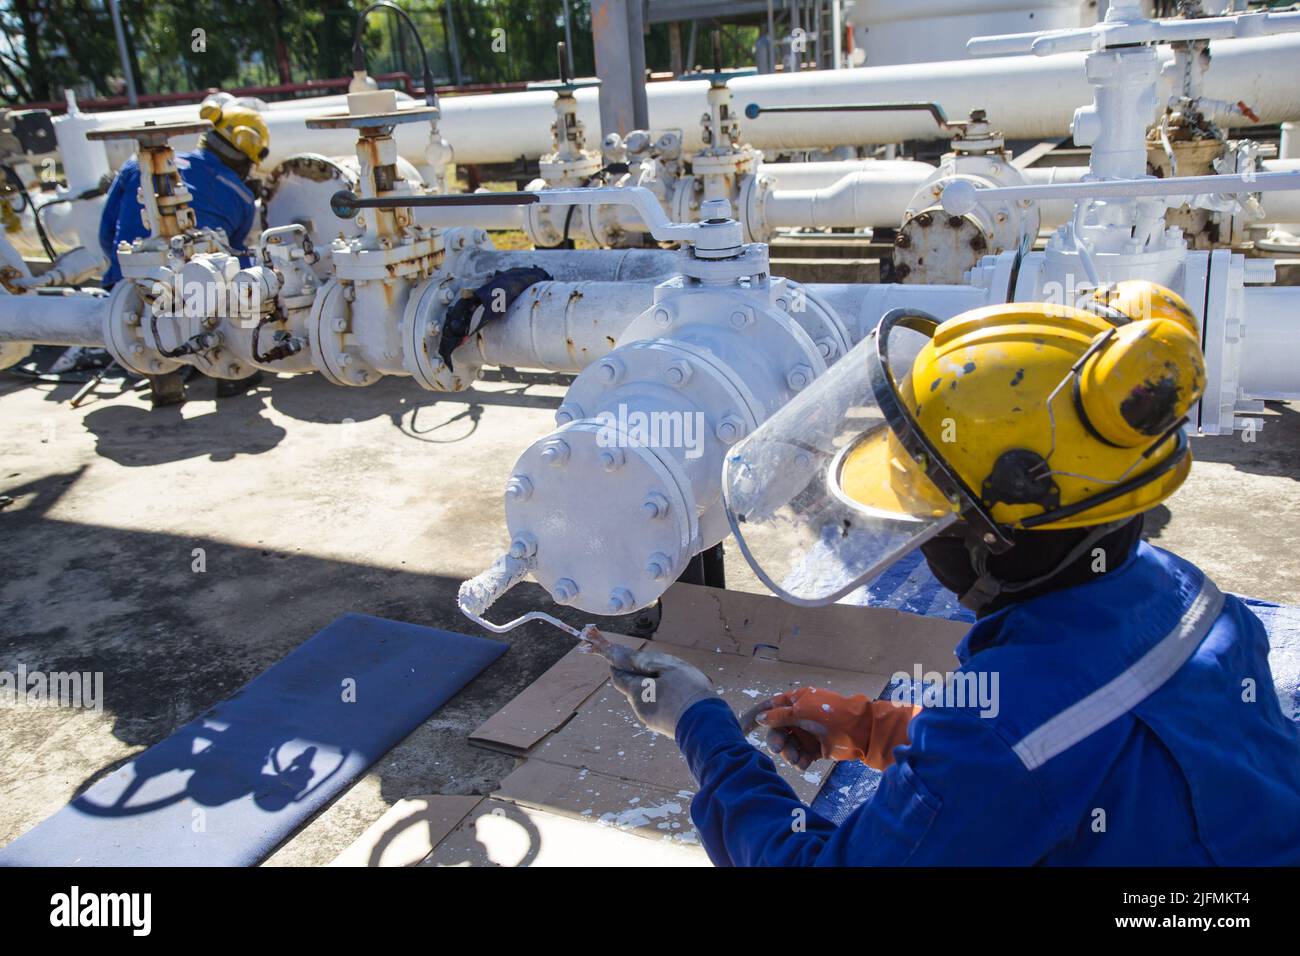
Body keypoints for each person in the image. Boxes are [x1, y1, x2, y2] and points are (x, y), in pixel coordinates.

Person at [609, 281, 1300, 865]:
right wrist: (879, 729)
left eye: (926, 519)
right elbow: (1074, 738)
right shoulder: (1187, 595)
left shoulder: (1003, 741)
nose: (916, 542)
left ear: (996, 540)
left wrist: (701, 726)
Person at [98, 97, 268, 403]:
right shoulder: (240, 194)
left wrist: (119, 272)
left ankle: (164, 379)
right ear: (247, 152)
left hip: (131, 290)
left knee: (152, 302)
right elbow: (236, 254)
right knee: (236, 274)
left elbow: (107, 231)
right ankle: (234, 367)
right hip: (203, 295)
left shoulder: (135, 166)